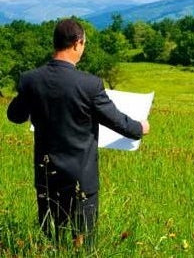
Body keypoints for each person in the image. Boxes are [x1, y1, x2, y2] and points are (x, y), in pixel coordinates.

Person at [6, 18, 150, 249]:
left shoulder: (31, 80)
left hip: (46, 175)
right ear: (76, 44)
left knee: (50, 238)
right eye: (83, 44)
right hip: (81, 178)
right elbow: (119, 122)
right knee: (83, 242)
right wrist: (140, 128)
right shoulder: (89, 84)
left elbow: (15, 116)